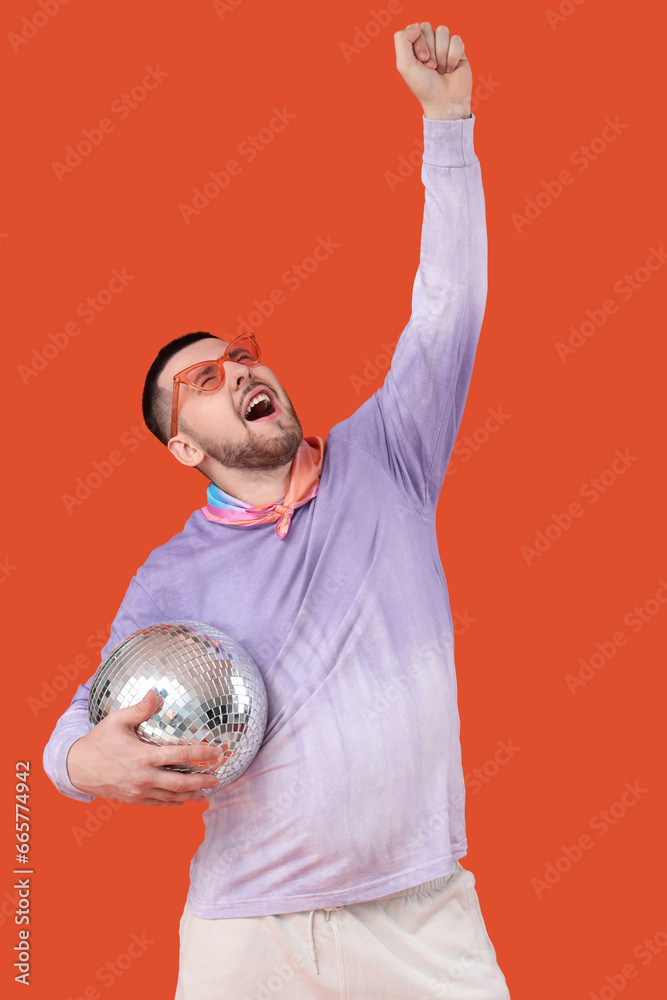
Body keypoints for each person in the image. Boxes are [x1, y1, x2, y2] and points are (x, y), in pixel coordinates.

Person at [43, 22, 512, 999]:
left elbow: (447, 305)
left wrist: (446, 125)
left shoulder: (389, 455)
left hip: (419, 914)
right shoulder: (173, 577)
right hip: (246, 929)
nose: (243, 370)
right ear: (184, 444)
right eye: (206, 379)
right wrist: (80, 762)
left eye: (244, 352)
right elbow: (86, 720)